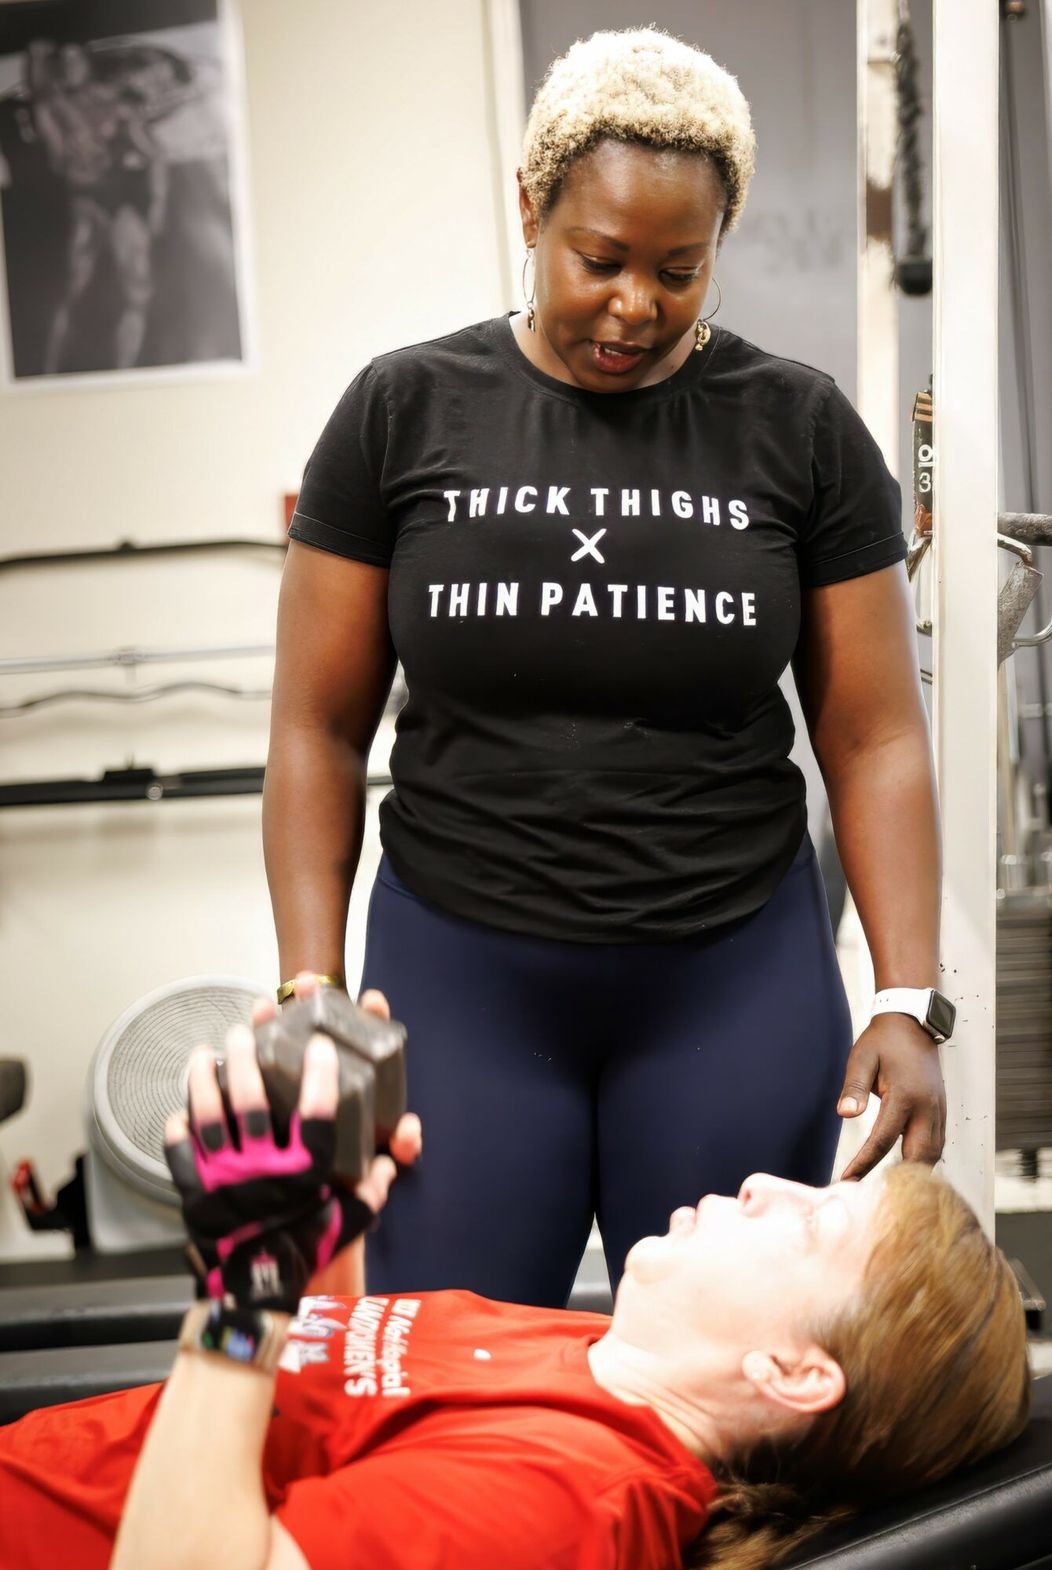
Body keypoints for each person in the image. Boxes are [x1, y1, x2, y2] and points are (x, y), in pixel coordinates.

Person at [263, 26, 949, 1307]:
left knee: (723, 1401)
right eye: (600, 260)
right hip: (459, 976)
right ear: (530, 211)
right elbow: (314, 726)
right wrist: (309, 986)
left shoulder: (795, 429)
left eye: (677, 271)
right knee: (454, 1373)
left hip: (725, 981)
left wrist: (905, 996)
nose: (634, 305)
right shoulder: (400, 411)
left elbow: (871, 736)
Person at [0, 992, 1030, 1570]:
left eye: (816, 1222)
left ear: (794, 1373)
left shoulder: (565, 1503)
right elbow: (330, 1403)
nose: (765, 1183)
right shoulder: (584, 1356)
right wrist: (321, 1231)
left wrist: (237, 1299)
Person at [25, 39, 168, 371]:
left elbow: (157, 154)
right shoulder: (53, 107)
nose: (70, 68)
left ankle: (126, 371)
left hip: (121, 202)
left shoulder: (116, 106)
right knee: (72, 287)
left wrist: (158, 204)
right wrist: (36, 59)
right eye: (64, 62)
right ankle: (47, 371)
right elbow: (42, 99)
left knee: (138, 290)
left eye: (76, 60)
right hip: (84, 200)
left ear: (89, 64)